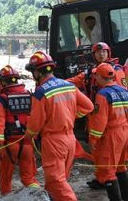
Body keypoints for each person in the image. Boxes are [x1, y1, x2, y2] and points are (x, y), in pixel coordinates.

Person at [25, 51, 93, 201]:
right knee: (56, 181)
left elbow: (35, 125)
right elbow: (89, 106)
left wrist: (28, 136)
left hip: (54, 142)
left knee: (57, 181)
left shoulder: (41, 93)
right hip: (70, 140)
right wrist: (68, 115)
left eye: (32, 72)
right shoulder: (68, 85)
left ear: (37, 72)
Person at [0, 65, 39, 195]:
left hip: (9, 145)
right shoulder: (29, 95)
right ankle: (39, 196)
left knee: (6, 178)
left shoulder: (2, 98)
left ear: (2, 81)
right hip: (27, 143)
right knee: (29, 178)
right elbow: (35, 118)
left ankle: (6, 197)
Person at [88, 63, 128, 201]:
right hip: (125, 132)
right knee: (121, 166)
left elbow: (100, 121)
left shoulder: (103, 94)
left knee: (108, 171)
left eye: (96, 75)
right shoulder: (124, 91)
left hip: (112, 134)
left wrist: (93, 139)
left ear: (100, 76)